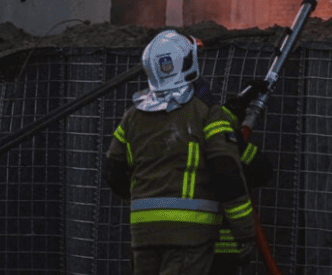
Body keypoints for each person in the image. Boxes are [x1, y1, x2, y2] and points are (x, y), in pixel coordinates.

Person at [104, 30, 258, 275]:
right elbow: (226, 173)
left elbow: (113, 172)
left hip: (144, 235)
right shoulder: (204, 112)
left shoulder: (132, 117)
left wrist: (145, 198)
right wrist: (244, 232)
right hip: (189, 235)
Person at [210, 79, 272, 275]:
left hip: (156, 241)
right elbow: (260, 170)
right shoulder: (220, 139)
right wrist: (246, 235)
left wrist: (232, 109)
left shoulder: (144, 122)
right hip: (215, 247)